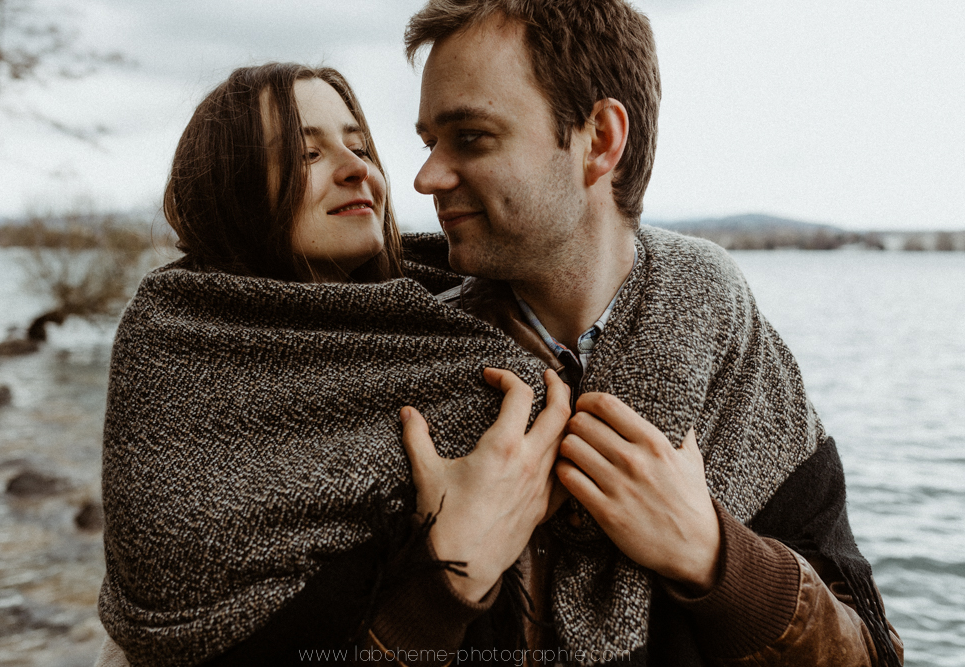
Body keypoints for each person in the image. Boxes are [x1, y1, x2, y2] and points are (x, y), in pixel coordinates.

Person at [356, 1, 905, 665]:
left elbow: (871, 653)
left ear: (600, 139)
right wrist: (442, 583)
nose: (426, 176)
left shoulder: (724, 333)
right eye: (428, 142)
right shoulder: (396, 346)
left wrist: (714, 558)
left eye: (470, 137)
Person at [95, 62, 570, 665]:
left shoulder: (454, 318)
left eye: (360, 145)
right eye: (306, 154)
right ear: (229, 184)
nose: (358, 170)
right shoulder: (172, 340)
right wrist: (449, 581)